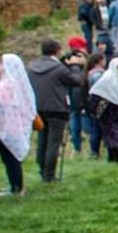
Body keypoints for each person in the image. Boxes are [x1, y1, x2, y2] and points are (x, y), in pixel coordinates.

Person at [27, 40, 86, 183]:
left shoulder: (31, 67)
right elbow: (77, 81)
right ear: (57, 51)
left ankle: (42, 170)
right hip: (57, 109)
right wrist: (75, 66)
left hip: (38, 108)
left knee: (42, 141)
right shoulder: (59, 69)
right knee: (53, 143)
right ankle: (50, 174)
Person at [0, 54, 37, 197]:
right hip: (17, 126)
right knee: (13, 158)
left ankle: (16, 187)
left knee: (9, 158)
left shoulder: (5, 85)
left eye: (0, 64)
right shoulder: (19, 84)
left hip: (6, 127)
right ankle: (16, 185)